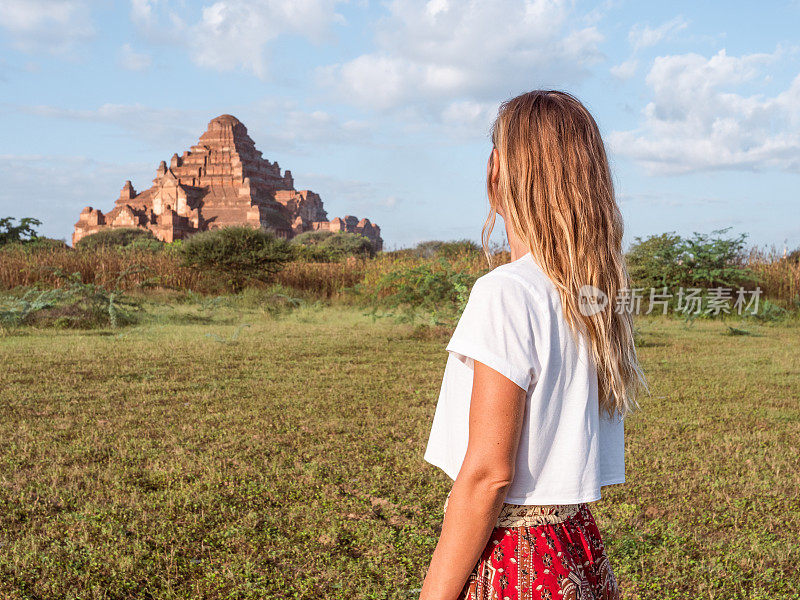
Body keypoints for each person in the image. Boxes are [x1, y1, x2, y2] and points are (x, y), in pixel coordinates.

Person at [419, 90, 648, 600]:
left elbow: (488, 476)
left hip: (516, 554)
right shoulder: (592, 292)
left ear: (498, 170)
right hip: (575, 542)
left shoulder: (506, 291)